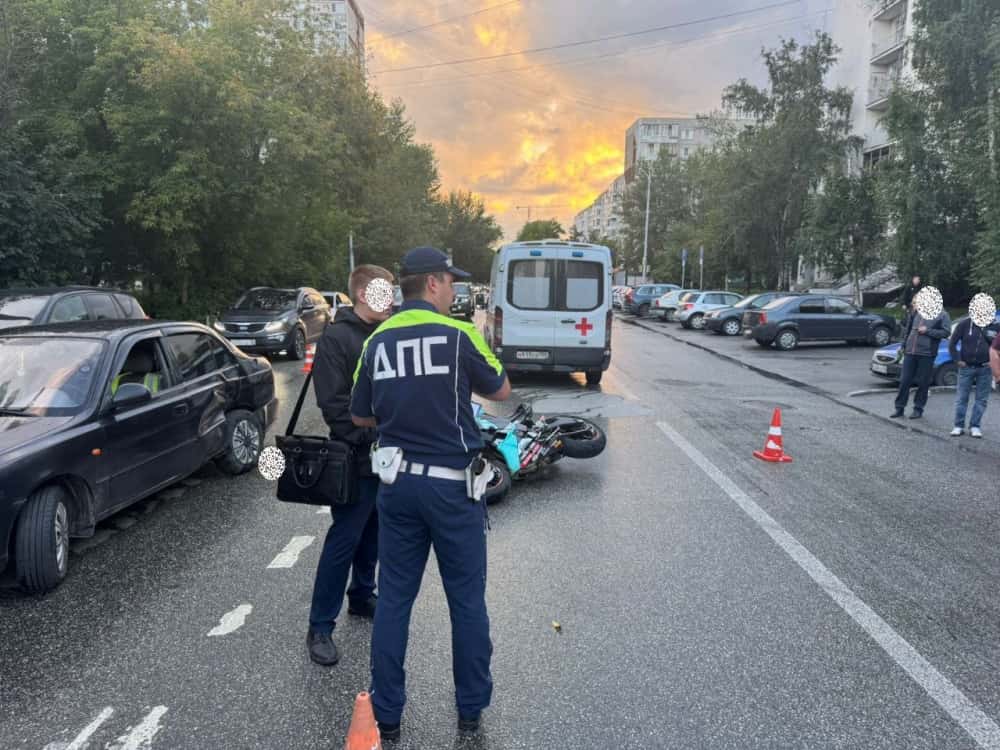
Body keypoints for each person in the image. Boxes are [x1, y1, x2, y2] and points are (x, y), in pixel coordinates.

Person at [350, 246, 512, 741]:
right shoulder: (459, 334)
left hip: (397, 487)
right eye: (452, 281)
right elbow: (500, 389)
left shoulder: (377, 340)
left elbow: (360, 414)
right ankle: (469, 708)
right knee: (466, 600)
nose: (456, 290)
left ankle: (389, 714)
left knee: (396, 598)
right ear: (434, 283)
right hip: (452, 490)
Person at [306, 264, 394, 666]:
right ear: (362, 295)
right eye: (383, 292)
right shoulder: (337, 339)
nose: (391, 299)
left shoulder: (387, 333)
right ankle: (320, 626)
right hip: (357, 457)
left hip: (388, 457)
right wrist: (371, 437)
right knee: (344, 539)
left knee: (374, 531)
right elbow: (333, 405)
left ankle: (361, 596)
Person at [892, 304, 951, 419]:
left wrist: (927, 331)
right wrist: (904, 345)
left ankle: (918, 408)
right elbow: (908, 330)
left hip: (927, 353)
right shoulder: (917, 312)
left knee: (923, 382)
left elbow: (946, 332)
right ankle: (899, 408)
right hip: (910, 352)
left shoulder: (942, 314)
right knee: (904, 380)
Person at [949, 311, 993, 437]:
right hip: (966, 367)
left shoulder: (994, 326)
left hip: (985, 368)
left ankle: (975, 426)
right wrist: (957, 360)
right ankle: (958, 425)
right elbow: (952, 343)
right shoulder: (964, 324)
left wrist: (994, 362)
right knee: (962, 398)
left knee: (981, 399)